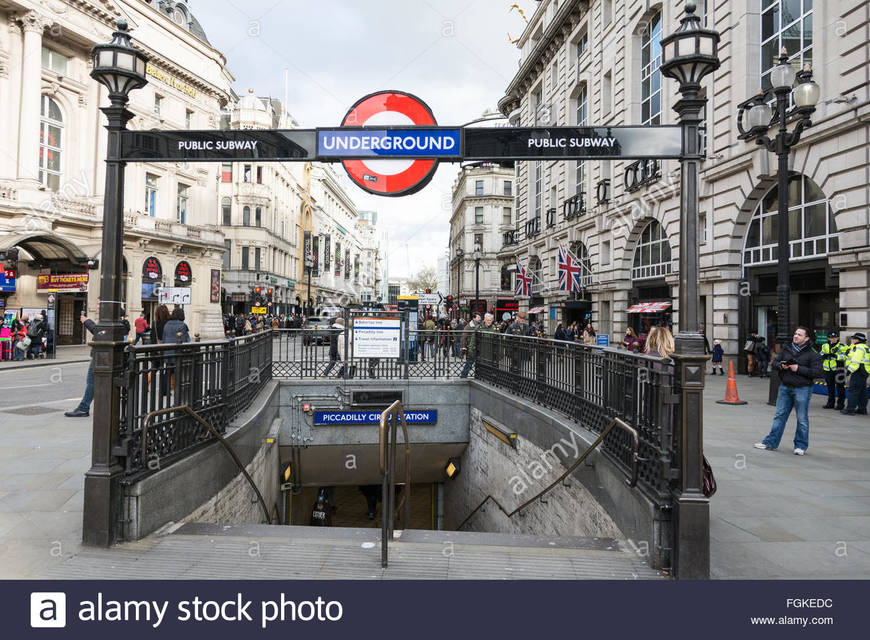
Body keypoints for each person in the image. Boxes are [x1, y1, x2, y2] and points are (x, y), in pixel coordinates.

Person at [754, 326, 823, 455]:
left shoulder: (813, 352)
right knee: (779, 416)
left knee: (802, 418)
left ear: (806, 338)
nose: (795, 336)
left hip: (802, 389)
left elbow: (818, 372)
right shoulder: (787, 348)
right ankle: (771, 443)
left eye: (799, 335)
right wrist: (781, 365)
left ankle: (800, 446)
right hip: (785, 387)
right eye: (795, 334)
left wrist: (799, 369)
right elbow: (774, 363)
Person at [64, 312, 98, 417]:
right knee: (94, 382)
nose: (98, 305)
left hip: (100, 355)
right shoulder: (109, 315)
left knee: (91, 382)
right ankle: (85, 407)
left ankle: (83, 408)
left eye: (99, 303)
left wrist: (87, 322)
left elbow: (100, 332)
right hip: (100, 354)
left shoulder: (109, 316)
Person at [841, 332, 869, 416]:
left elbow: (856, 361)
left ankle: (850, 409)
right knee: (862, 392)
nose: (852, 340)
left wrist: (849, 371)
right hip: (864, 372)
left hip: (857, 371)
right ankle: (862, 409)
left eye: (853, 338)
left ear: (858, 339)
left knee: (853, 391)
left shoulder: (858, 348)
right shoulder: (865, 347)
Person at [821, 331, 848, 410]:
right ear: (828, 338)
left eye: (835, 337)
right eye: (831, 337)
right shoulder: (825, 345)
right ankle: (830, 403)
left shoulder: (842, 346)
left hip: (839, 369)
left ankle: (840, 404)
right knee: (830, 387)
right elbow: (821, 353)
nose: (833, 339)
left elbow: (846, 356)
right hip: (828, 369)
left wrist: (836, 356)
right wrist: (823, 356)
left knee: (840, 387)